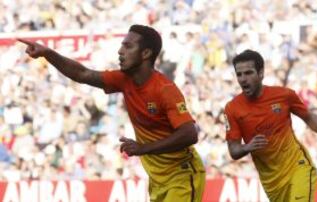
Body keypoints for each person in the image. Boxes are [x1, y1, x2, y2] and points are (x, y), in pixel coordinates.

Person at [18, 24, 205, 202]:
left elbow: (189, 133)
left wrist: (143, 148)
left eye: (128, 46)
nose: (120, 51)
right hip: (158, 179)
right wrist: (48, 53)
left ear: (146, 53)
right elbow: (82, 74)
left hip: (181, 175)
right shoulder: (124, 80)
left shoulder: (165, 89)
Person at [223, 49, 317, 202]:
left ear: (261, 73)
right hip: (272, 182)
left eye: (249, 73)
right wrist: (247, 147)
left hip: (298, 166)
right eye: (239, 74)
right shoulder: (232, 108)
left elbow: (308, 117)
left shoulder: (284, 95)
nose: (243, 79)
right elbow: (234, 151)